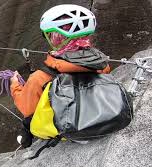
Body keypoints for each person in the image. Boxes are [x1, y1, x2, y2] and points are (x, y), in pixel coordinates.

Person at [10, 4, 111, 148]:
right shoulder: (102, 65)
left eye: (50, 35)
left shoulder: (40, 78)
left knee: (29, 122)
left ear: (58, 38)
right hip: (98, 118)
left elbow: (28, 109)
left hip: (64, 132)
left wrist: (15, 85)